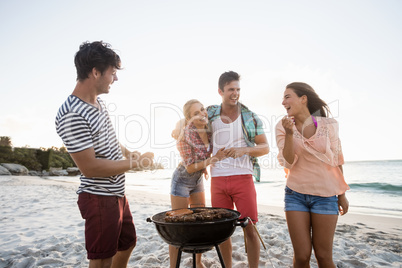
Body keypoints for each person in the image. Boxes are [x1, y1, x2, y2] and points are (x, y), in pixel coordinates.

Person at [55, 41, 154, 268]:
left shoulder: (98, 103)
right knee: (101, 260)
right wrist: (133, 164)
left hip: (116, 193)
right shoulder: (72, 113)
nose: (115, 79)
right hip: (98, 198)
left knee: (128, 242)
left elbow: (110, 139)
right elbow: (89, 167)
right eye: (112, 73)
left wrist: (131, 154)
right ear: (96, 72)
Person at [275, 82, 350, 267]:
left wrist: (342, 194)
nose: (283, 102)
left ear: (303, 99)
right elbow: (289, 162)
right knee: (302, 256)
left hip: (326, 196)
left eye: (287, 96)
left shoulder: (329, 125)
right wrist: (290, 134)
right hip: (295, 195)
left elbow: (337, 160)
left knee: (324, 257)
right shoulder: (282, 126)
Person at [207, 71, 269, 268]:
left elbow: (265, 147)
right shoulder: (209, 113)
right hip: (217, 179)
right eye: (231, 89)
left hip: (243, 178)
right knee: (223, 230)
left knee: (250, 227)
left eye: (238, 89)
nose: (235, 93)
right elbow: (190, 126)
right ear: (220, 91)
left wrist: (244, 149)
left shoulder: (250, 116)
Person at [169, 99, 226, 268]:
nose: (202, 114)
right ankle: (173, 266)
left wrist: (206, 167)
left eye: (202, 109)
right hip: (182, 180)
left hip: (198, 179)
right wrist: (212, 160)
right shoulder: (184, 135)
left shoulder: (209, 130)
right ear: (189, 118)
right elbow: (190, 167)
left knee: (199, 221)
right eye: (196, 113)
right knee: (177, 226)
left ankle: (198, 263)